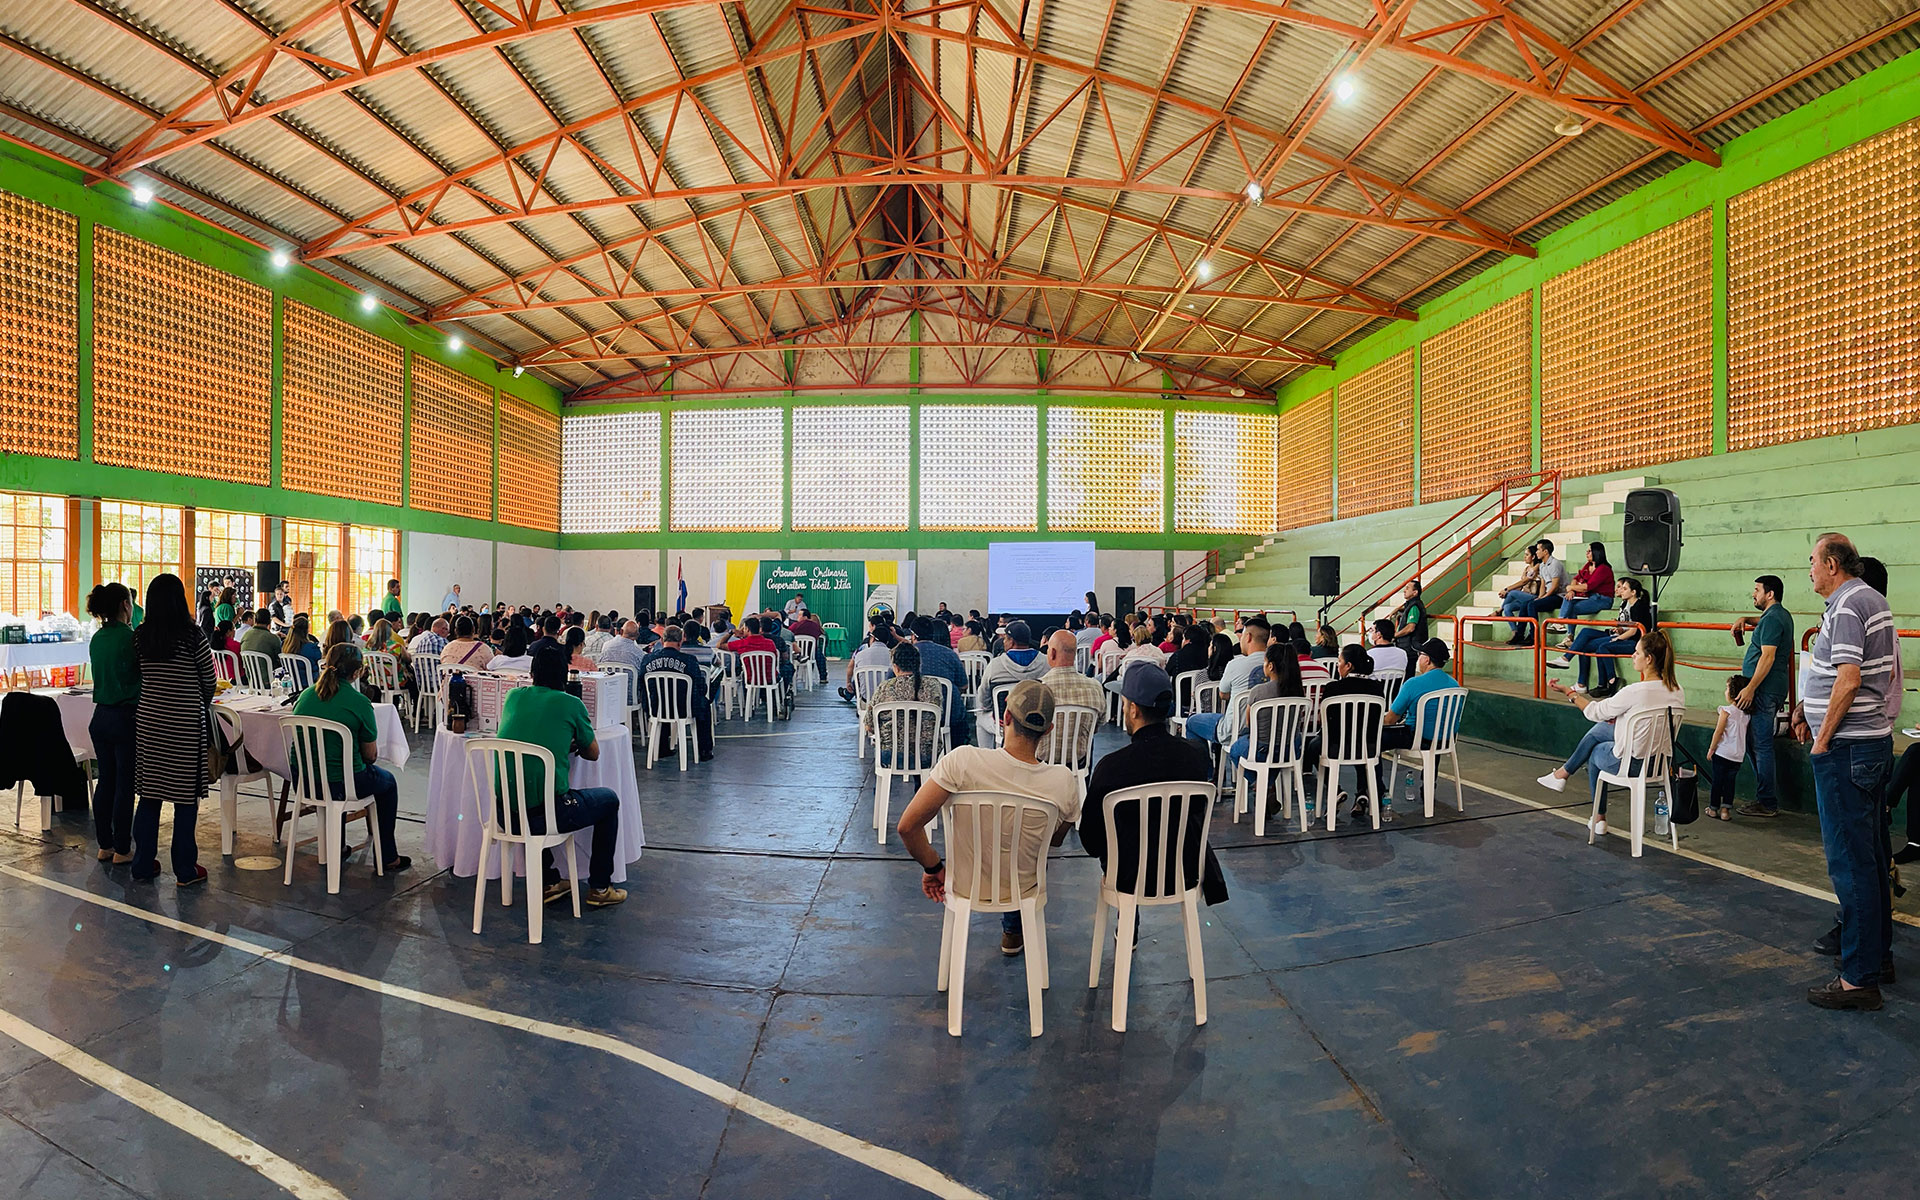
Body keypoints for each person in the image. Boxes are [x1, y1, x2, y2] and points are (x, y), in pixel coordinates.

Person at [894, 680, 1080, 957]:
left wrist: (934, 869)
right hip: (1023, 889)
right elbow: (1054, 841)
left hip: (963, 885)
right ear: (1049, 730)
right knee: (1022, 851)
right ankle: (1013, 930)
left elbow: (908, 827)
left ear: (1005, 718)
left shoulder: (962, 762)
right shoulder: (1063, 781)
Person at [1793, 533, 1895, 1009]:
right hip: (1866, 746)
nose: (1809, 569)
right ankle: (1874, 959)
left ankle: (1858, 978)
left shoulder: (1850, 603)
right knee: (1869, 859)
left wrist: (1822, 737)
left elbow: (1849, 679)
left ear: (1832, 564)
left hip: (1847, 749)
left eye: (1812, 561)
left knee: (1851, 864)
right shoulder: (1864, 598)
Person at [1080, 663, 1228, 907]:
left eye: (1125, 703)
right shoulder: (1195, 756)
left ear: (1134, 710)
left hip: (1128, 878)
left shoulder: (1112, 767)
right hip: (1185, 872)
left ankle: (1128, 923)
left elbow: (1092, 842)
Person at [494, 645, 626, 907]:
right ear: (565, 675)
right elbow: (593, 753)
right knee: (608, 801)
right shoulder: (571, 703)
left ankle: (549, 881)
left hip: (505, 813)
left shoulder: (513, 697)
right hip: (547, 815)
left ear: (532, 673)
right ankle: (600, 887)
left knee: (529, 795)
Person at [1538, 630, 1686, 833]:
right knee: (1601, 729)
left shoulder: (1634, 691)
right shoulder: (1677, 690)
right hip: (1659, 764)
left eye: (1637, 653)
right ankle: (1562, 776)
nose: (1633, 656)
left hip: (1633, 765)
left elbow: (1594, 712)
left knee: (1596, 750)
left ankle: (1598, 817)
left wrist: (1569, 693)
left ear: (1649, 659)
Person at [289, 644, 411, 874]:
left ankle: (338, 845)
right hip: (343, 783)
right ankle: (387, 856)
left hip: (306, 782)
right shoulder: (359, 702)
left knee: (337, 771)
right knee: (387, 783)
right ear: (357, 673)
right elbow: (371, 756)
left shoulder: (305, 696)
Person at [131, 574, 214, 886]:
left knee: (149, 796)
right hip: (184, 725)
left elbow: (139, 674)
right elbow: (208, 680)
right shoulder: (193, 637)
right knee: (184, 799)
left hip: (150, 722)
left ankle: (141, 864)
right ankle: (184, 869)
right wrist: (194, 701)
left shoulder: (140, 636)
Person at [84, 583, 140, 866]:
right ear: (124, 605)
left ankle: (104, 844)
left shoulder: (97, 638)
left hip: (100, 716)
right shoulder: (130, 638)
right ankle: (122, 847)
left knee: (105, 781)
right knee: (124, 784)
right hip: (125, 717)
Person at [1731, 574, 1795, 818]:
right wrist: (1747, 619)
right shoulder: (1777, 616)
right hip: (1769, 689)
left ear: (1770, 594)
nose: (1753, 594)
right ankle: (1765, 796)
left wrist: (1751, 688)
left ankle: (1767, 800)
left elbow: (1767, 656)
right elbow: (1766, 623)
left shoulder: (1773, 620)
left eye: (1757, 590)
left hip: (1763, 690)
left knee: (1760, 744)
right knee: (1755, 743)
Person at [1301, 644, 1386, 823]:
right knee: (1359, 747)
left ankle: (1336, 790)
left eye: (1340, 662)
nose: (1338, 666)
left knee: (1314, 746)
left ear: (1348, 666)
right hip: (1368, 746)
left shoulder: (1333, 688)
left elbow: (1324, 719)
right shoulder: (1377, 689)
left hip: (1335, 746)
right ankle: (1362, 794)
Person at [1376, 639, 1462, 802]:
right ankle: (1429, 784)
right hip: (1445, 740)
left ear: (1427, 659)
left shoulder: (1413, 683)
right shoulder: (1455, 685)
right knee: (1434, 732)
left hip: (1416, 739)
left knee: (1373, 741)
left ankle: (1376, 789)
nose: (1418, 658)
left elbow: (1390, 720)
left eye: (1420, 655)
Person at [1225, 643, 1304, 808]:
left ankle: (1263, 785)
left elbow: (1249, 723)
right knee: (1272, 757)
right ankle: (1268, 787)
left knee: (1234, 750)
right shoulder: (1298, 691)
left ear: (1270, 666)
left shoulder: (1258, 691)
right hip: (1290, 751)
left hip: (1261, 750)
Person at [1551, 576, 1651, 695]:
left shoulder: (1639, 606)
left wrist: (1617, 639)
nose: (1620, 591)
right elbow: (1626, 627)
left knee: (1600, 647)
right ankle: (1577, 674)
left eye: (1624, 588)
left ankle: (1608, 681)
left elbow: (1634, 631)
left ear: (1633, 592)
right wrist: (1618, 629)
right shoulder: (1624, 604)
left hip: (1634, 642)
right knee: (1585, 634)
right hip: (1621, 636)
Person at [1184, 616, 1268, 753]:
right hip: (1266, 728)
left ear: (1248, 637)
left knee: (1191, 722)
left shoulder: (1236, 664)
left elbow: (1223, 695)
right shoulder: (1276, 665)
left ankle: (1207, 771)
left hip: (1233, 729)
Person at [640, 625, 714, 762]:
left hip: (656, 708)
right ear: (681, 641)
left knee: (664, 698)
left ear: (662, 641)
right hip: (684, 708)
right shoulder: (689, 661)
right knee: (704, 704)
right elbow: (701, 687)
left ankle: (662, 747)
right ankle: (704, 750)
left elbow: (641, 684)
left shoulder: (647, 659)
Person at [865, 642, 944, 764]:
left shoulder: (885, 687)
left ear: (895, 667)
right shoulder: (933, 685)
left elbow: (869, 726)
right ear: (918, 665)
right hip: (927, 754)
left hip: (890, 755)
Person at [1039, 629, 1105, 763]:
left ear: (1052, 653)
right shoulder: (1095, 687)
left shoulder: (1037, 688)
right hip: (1078, 760)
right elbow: (1098, 725)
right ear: (1075, 654)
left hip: (1042, 761)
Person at [910, 617, 972, 750]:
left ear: (913, 636)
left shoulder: (904, 653)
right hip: (948, 716)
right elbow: (964, 685)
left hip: (913, 717)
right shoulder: (949, 654)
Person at [976, 620, 1050, 726]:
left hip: (1005, 722)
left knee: (980, 720)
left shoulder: (995, 664)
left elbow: (983, 697)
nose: (1003, 641)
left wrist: (989, 708)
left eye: (1005, 638)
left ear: (1012, 642)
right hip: (1036, 722)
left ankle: (989, 743)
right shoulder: (1046, 662)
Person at [1704, 674, 1750, 822]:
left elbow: (1718, 731)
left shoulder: (1726, 711)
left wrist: (1712, 748)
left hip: (1722, 752)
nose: (1725, 691)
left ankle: (1713, 808)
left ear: (1733, 693)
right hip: (1737, 755)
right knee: (1730, 783)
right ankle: (1725, 811)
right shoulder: (1746, 714)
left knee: (1718, 781)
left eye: (1727, 688)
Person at [1549, 543, 1615, 632]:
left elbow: (1588, 587)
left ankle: (1563, 627)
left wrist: (1571, 587)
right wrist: (1571, 590)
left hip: (1602, 599)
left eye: (1589, 551)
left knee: (1571, 608)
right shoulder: (1588, 565)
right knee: (1568, 598)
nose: (1586, 553)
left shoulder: (1604, 569)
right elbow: (1576, 578)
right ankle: (1562, 626)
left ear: (1596, 552)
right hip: (1590, 597)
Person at [1497, 543, 1543, 641]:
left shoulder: (1538, 567)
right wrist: (1507, 593)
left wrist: (1507, 589)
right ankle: (1516, 632)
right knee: (1507, 607)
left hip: (1533, 596)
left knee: (1511, 593)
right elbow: (1521, 585)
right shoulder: (1526, 568)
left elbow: (1524, 581)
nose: (1524, 557)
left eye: (1527, 555)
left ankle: (1498, 611)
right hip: (1523, 596)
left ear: (1534, 556)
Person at [1389, 578, 1428, 652]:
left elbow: (1410, 628)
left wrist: (1395, 635)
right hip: (1406, 645)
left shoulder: (1414, 607)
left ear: (1415, 592)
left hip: (1410, 647)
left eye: (1407, 588)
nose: (1404, 591)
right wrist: (1398, 609)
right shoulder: (1411, 604)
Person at [789, 607, 826, 680]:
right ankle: (823, 677)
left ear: (805, 617)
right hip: (812, 653)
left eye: (799, 615)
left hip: (798, 652)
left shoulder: (795, 625)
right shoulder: (815, 626)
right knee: (820, 656)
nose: (798, 617)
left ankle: (792, 678)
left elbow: (789, 633)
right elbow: (821, 634)